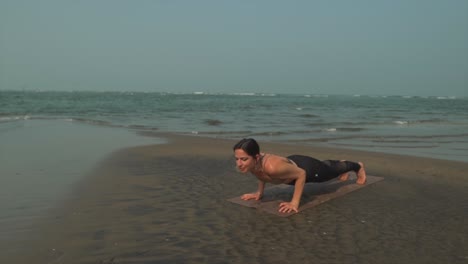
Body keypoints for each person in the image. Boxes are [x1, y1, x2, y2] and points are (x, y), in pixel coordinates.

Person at [233, 138, 367, 214]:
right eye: (237, 159)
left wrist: (294, 203)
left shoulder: (273, 167)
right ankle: (340, 166)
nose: (239, 163)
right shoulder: (251, 162)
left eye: (243, 159)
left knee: (328, 171)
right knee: (328, 166)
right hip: (290, 164)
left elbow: (301, 174)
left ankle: (358, 166)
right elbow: (260, 173)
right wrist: (259, 193)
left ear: (256, 157)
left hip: (306, 168)